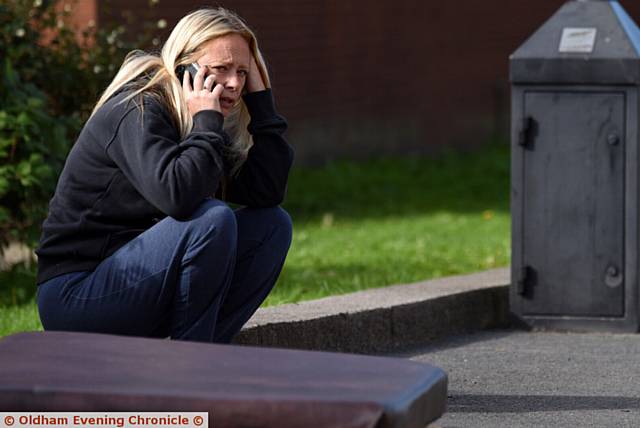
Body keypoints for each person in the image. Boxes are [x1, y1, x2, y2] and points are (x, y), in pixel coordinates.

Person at [35, 7, 294, 343]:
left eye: (243, 73)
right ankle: (189, 363)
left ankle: (207, 351)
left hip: (138, 284)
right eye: (221, 69)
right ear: (184, 68)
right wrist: (207, 125)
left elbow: (266, 192)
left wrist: (262, 103)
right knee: (211, 219)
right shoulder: (137, 109)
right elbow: (178, 197)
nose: (233, 83)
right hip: (76, 295)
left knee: (273, 226)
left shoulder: (202, 122)